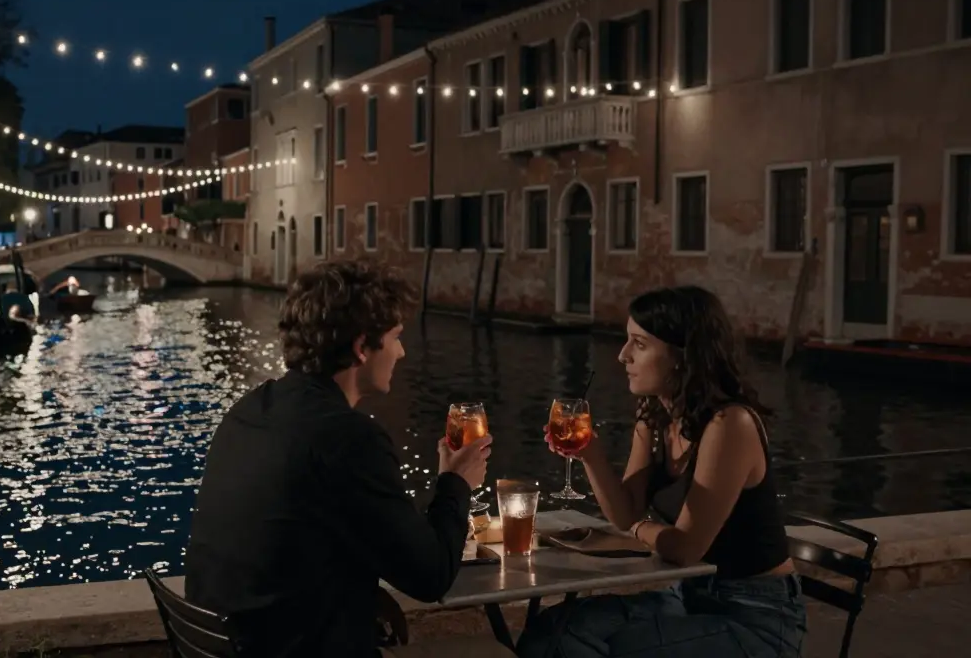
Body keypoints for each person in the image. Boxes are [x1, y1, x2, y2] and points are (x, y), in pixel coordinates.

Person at [184, 259, 512, 658]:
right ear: (361, 348)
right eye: (395, 337)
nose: (402, 352)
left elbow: (288, 542)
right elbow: (431, 578)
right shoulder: (350, 438)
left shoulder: (250, 410)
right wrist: (456, 482)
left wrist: (366, 594)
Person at [516, 286, 806, 658]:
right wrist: (591, 455)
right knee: (550, 629)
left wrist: (639, 529)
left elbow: (682, 548)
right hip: (686, 595)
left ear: (682, 356)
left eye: (639, 343)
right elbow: (624, 511)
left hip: (756, 615)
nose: (622, 356)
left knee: (593, 646)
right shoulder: (653, 415)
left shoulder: (729, 424)